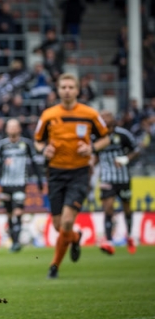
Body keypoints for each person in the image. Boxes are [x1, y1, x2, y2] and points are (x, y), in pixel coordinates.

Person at [34, 73, 109, 279]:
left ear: (77, 90)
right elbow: (38, 141)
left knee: (67, 221)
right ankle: (75, 238)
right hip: (56, 173)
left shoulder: (90, 113)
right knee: (59, 226)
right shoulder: (48, 115)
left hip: (79, 173)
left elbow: (106, 138)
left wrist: (92, 147)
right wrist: (43, 150)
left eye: (70, 87)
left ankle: (54, 266)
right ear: (58, 90)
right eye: (63, 87)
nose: (67, 90)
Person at [0, 119, 44, 252]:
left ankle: (16, 242)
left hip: (21, 183)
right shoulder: (2, 144)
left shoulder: (26, 143)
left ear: (19, 129)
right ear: (6, 129)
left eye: (15, 127)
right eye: (10, 127)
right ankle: (14, 240)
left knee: (18, 210)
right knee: (9, 213)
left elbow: (34, 162)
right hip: (6, 183)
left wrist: (39, 180)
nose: (13, 129)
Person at [94, 110, 139, 255]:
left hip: (123, 178)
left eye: (107, 117)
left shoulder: (123, 134)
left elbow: (136, 150)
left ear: (113, 120)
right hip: (107, 177)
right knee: (108, 207)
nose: (104, 120)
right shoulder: (96, 136)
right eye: (102, 118)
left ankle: (130, 236)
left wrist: (126, 159)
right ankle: (109, 241)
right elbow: (94, 156)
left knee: (126, 208)